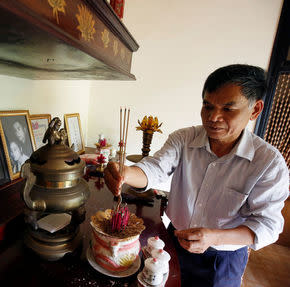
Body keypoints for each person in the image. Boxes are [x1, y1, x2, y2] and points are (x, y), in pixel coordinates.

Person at [104, 64, 289, 287]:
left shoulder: (268, 162)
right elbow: (156, 167)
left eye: (228, 109)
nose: (213, 117)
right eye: (207, 106)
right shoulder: (184, 139)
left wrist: (214, 237)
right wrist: (126, 173)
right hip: (172, 242)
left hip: (222, 259)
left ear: (255, 110)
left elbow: (268, 225)